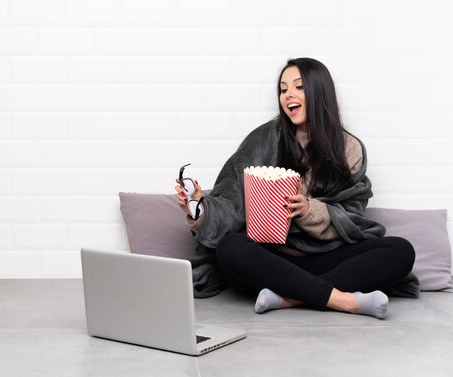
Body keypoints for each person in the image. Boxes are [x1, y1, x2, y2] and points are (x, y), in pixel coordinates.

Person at [174, 57, 416, 319]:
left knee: (401, 251)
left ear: (319, 91)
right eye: (283, 89)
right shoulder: (263, 139)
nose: (289, 95)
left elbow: (353, 217)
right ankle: (343, 300)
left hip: (328, 255)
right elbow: (231, 199)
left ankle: (289, 297)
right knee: (231, 248)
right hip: (274, 259)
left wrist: (309, 209)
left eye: (299, 87)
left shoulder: (349, 148)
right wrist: (200, 209)